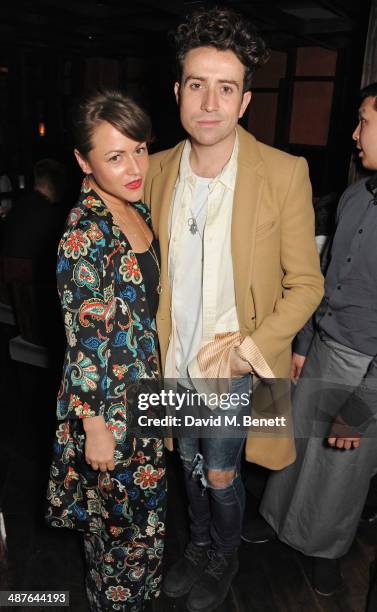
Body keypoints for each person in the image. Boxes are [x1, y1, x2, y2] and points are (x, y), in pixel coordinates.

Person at [143, 7, 324, 612]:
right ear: (178, 92)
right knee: (185, 462)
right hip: (172, 358)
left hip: (241, 370)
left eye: (227, 88)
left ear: (245, 101)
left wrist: (251, 350)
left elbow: (306, 284)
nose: (211, 102)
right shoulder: (157, 169)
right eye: (198, 85)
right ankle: (198, 544)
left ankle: (224, 553)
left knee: (222, 473)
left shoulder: (283, 172)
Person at [45, 90, 166, 612]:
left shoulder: (134, 206)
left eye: (138, 149)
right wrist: (94, 425)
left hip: (148, 401)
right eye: (114, 156)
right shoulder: (82, 234)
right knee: (117, 544)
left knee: (147, 532)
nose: (134, 166)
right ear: (83, 161)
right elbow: (83, 341)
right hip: (111, 414)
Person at [257, 82, 377, 597]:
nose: (354, 134)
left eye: (364, 122)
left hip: (368, 366)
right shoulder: (354, 194)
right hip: (324, 345)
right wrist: (303, 343)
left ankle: (328, 548)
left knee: (342, 474)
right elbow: (322, 276)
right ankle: (275, 520)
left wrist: (366, 399)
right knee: (296, 445)